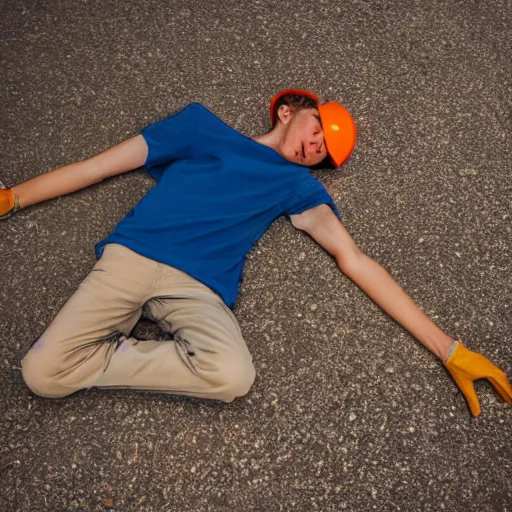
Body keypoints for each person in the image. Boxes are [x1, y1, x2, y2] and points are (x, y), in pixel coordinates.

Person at [1, 89, 510, 416]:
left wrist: (449, 350)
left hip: (197, 288)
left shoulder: (296, 185)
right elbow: (97, 167)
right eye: (319, 127)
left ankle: (109, 351)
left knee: (232, 374)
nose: (318, 146)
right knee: (41, 374)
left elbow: (355, 261)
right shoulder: (201, 127)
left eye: (327, 153)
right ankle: (103, 345)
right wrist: (13, 197)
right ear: (288, 110)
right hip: (134, 255)